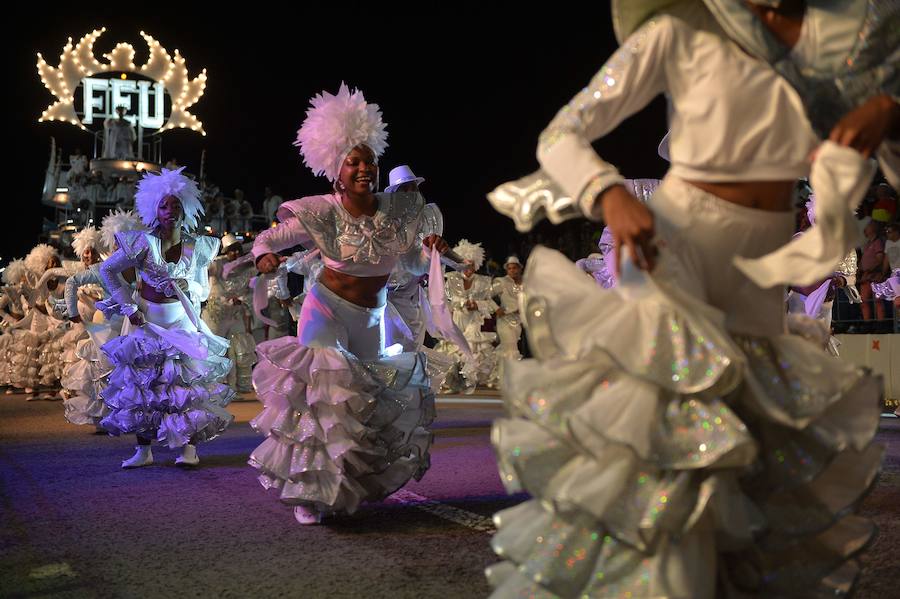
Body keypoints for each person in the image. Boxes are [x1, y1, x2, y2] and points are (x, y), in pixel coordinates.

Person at [484, 1, 882, 596]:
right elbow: (562, 134)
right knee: (673, 444)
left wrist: (882, 112)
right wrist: (608, 193)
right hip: (674, 246)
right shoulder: (678, 33)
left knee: (742, 459)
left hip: (762, 270)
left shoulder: (828, 46)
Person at [249, 83, 449, 524]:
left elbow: (411, 266)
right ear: (335, 170)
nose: (363, 169)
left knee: (366, 403)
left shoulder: (399, 212)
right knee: (325, 396)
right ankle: (307, 492)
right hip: (325, 311)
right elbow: (271, 237)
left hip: (373, 317)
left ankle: (344, 485)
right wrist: (264, 254)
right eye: (353, 162)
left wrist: (428, 251)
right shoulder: (321, 210)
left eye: (369, 161)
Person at [97, 167, 234, 468]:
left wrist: (190, 286)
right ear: (153, 210)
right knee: (144, 386)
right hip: (147, 322)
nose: (170, 211)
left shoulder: (198, 246)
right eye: (164, 205)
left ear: (186, 210)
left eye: (176, 205)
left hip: (182, 323)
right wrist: (128, 307)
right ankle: (144, 450)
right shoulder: (142, 243)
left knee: (186, 388)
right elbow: (106, 271)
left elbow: (203, 289)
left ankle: (188, 450)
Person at [204, 234, 256, 393]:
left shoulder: (248, 268)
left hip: (235, 315)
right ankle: (214, 388)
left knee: (240, 350)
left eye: (237, 250)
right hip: (215, 316)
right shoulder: (216, 265)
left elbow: (250, 292)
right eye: (231, 251)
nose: (235, 254)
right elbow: (201, 271)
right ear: (225, 251)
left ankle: (236, 388)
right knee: (215, 352)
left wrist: (241, 300)